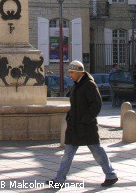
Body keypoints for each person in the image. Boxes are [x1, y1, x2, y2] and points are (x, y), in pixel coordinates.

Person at [48, 60, 118, 189]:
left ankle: (111, 175)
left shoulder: (89, 85)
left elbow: (96, 104)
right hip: (75, 126)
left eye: (72, 72)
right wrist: (70, 115)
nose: (70, 75)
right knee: (68, 153)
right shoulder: (77, 85)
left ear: (80, 73)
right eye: (69, 72)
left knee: (97, 151)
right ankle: (59, 179)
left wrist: (86, 120)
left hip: (86, 126)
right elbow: (76, 105)